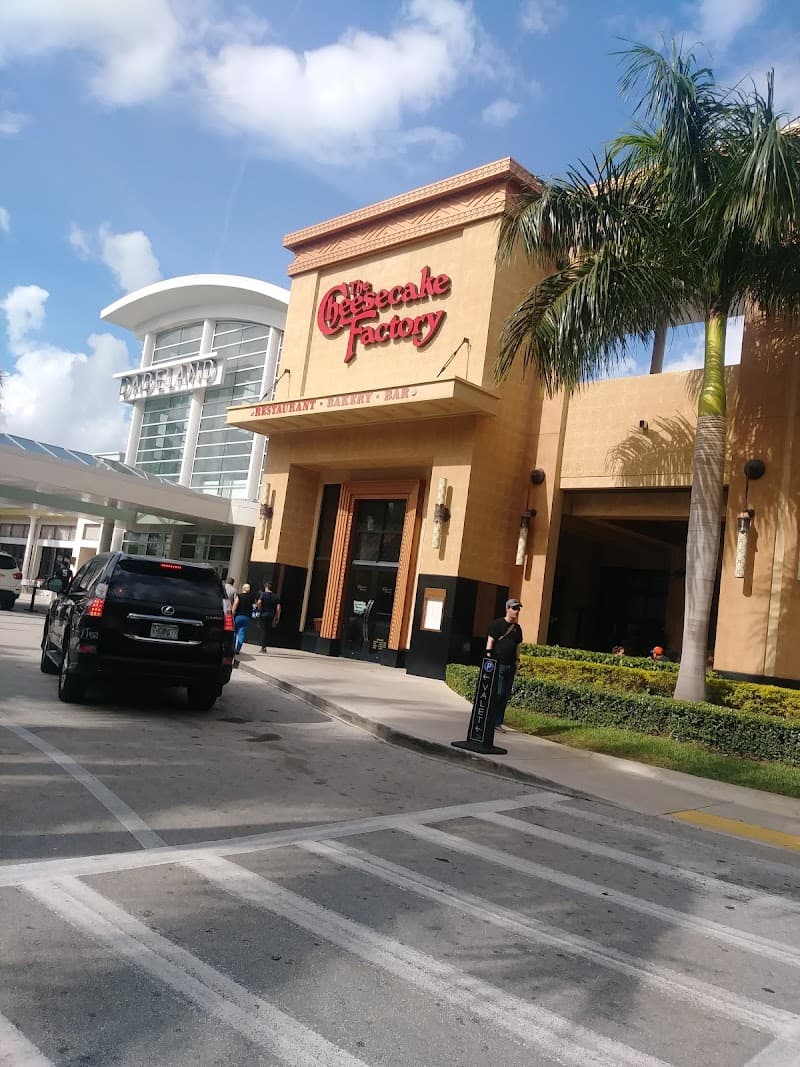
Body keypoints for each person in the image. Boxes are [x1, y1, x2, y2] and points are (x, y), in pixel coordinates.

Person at [486, 598, 523, 733]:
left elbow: (518, 645)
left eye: (518, 608)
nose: (517, 611)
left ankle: (497, 722)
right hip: (498, 664)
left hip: (510, 665)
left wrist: (517, 660)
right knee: (499, 692)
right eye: (514, 608)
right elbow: (490, 641)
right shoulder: (497, 624)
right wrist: (489, 657)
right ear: (507, 609)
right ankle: (489, 719)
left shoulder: (517, 629)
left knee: (505, 694)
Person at [231, 583, 256, 661]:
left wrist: (232, 613)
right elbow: (255, 605)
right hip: (247, 617)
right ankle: (238, 649)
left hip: (239, 616)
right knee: (242, 632)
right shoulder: (252, 597)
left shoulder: (239, 596)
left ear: (243, 588)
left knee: (234, 632)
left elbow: (235, 605)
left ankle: (232, 647)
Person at [257, 581, 281, 653]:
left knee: (263, 630)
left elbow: (259, 602)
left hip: (263, 614)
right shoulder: (276, 596)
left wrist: (259, 608)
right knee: (267, 630)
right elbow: (278, 608)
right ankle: (264, 646)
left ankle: (263, 647)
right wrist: (277, 617)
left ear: (266, 587)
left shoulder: (263, 595)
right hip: (271, 615)